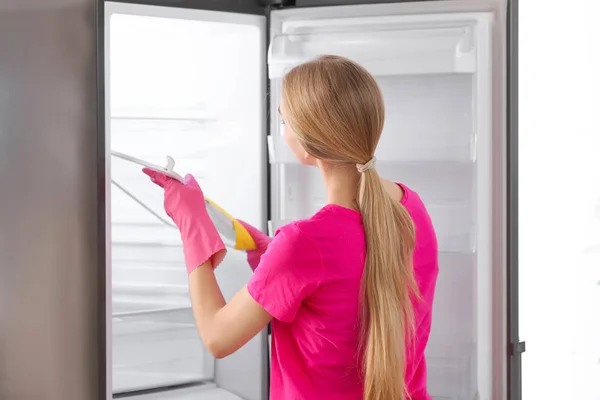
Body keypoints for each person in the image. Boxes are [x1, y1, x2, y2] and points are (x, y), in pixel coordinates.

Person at [143, 55, 439, 400]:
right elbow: (347, 278)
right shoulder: (412, 208)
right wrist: (273, 256)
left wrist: (191, 227)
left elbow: (217, 338)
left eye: (284, 120)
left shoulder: (303, 244)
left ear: (307, 145)